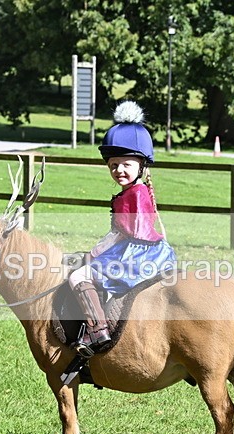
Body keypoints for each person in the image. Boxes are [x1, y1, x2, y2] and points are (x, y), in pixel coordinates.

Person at [68, 101, 177, 352]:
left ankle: (98, 331)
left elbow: (128, 233)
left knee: (78, 275)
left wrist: (96, 252)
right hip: (141, 249)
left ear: (141, 166)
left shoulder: (135, 195)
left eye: (126, 164)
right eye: (114, 165)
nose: (119, 170)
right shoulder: (135, 191)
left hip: (135, 253)